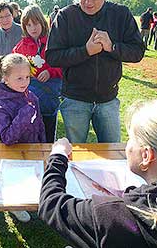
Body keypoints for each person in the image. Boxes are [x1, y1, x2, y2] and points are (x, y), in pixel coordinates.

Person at [46, 0, 145, 143]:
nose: (87, 2)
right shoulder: (65, 16)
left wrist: (111, 46)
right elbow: (53, 57)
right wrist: (86, 51)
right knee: (74, 154)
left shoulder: (121, 14)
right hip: (74, 99)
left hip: (108, 100)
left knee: (113, 154)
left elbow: (137, 52)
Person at [38, 99, 157, 248]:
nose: (127, 144)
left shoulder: (110, 216)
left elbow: (51, 205)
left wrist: (58, 156)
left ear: (146, 156)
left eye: (131, 139)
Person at [0, 53, 46, 223]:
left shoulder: (31, 96)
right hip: (13, 154)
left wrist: (43, 144)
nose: (25, 82)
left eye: (27, 77)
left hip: (33, 148)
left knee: (32, 179)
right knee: (16, 182)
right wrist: (24, 113)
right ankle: (15, 206)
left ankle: (30, 200)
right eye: (19, 78)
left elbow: (39, 123)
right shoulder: (2, 103)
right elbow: (6, 137)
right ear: (5, 78)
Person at [13, 4, 62, 142]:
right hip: (29, 97)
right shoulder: (21, 46)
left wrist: (50, 72)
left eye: (35, 23)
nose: (32, 28)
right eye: (28, 25)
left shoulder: (53, 42)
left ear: (42, 22)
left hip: (49, 94)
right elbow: (13, 64)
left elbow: (63, 65)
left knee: (48, 130)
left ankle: (48, 156)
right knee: (31, 133)